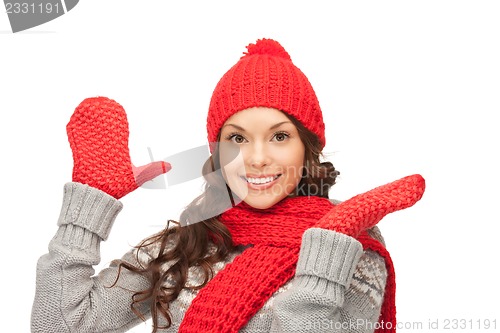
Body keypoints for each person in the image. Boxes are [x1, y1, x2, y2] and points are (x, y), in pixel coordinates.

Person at [31, 38, 425, 333]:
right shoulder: (185, 243)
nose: (255, 158)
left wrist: (325, 255)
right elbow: (60, 325)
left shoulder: (350, 249)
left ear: (308, 147)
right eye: (237, 138)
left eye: (279, 137)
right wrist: (87, 208)